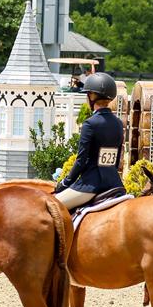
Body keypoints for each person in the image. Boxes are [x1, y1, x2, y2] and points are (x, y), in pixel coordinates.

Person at [53, 73, 125, 213]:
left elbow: (81, 160)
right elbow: (116, 160)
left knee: (53, 206)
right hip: (114, 184)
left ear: (92, 96)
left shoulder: (90, 124)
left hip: (91, 185)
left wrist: (65, 182)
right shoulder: (118, 123)